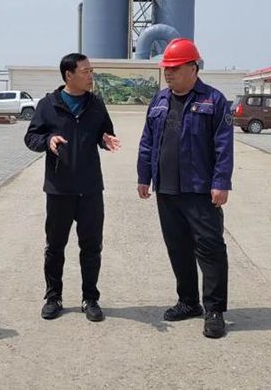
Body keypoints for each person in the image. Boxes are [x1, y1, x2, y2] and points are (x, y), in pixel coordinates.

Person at [136, 38, 234, 339]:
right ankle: (189, 301)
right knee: (177, 247)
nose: (169, 73)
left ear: (193, 68)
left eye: (175, 68)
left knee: (210, 248)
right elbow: (147, 141)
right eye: (166, 68)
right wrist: (143, 176)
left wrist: (221, 182)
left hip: (200, 190)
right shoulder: (159, 100)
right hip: (167, 190)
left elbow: (223, 146)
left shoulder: (214, 100)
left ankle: (214, 310)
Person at [24, 53, 120, 322]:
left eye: (91, 71)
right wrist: (48, 141)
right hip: (59, 189)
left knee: (92, 247)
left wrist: (106, 140)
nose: (91, 76)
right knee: (55, 247)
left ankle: (90, 298)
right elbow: (31, 137)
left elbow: (104, 132)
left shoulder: (96, 104)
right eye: (85, 71)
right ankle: (53, 297)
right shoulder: (48, 105)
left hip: (90, 189)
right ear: (69, 75)